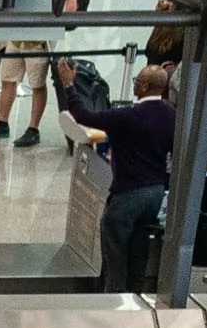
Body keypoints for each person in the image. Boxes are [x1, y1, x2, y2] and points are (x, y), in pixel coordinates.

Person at [61, 64, 178, 287]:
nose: (134, 82)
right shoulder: (171, 114)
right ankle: (136, 298)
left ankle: (114, 301)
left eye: (137, 80)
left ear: (144, 85)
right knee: (139, 251)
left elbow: (82, 115)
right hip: (154, 193)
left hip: (128, 194)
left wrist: (69, 85)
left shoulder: (127, 116)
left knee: (115, 253)